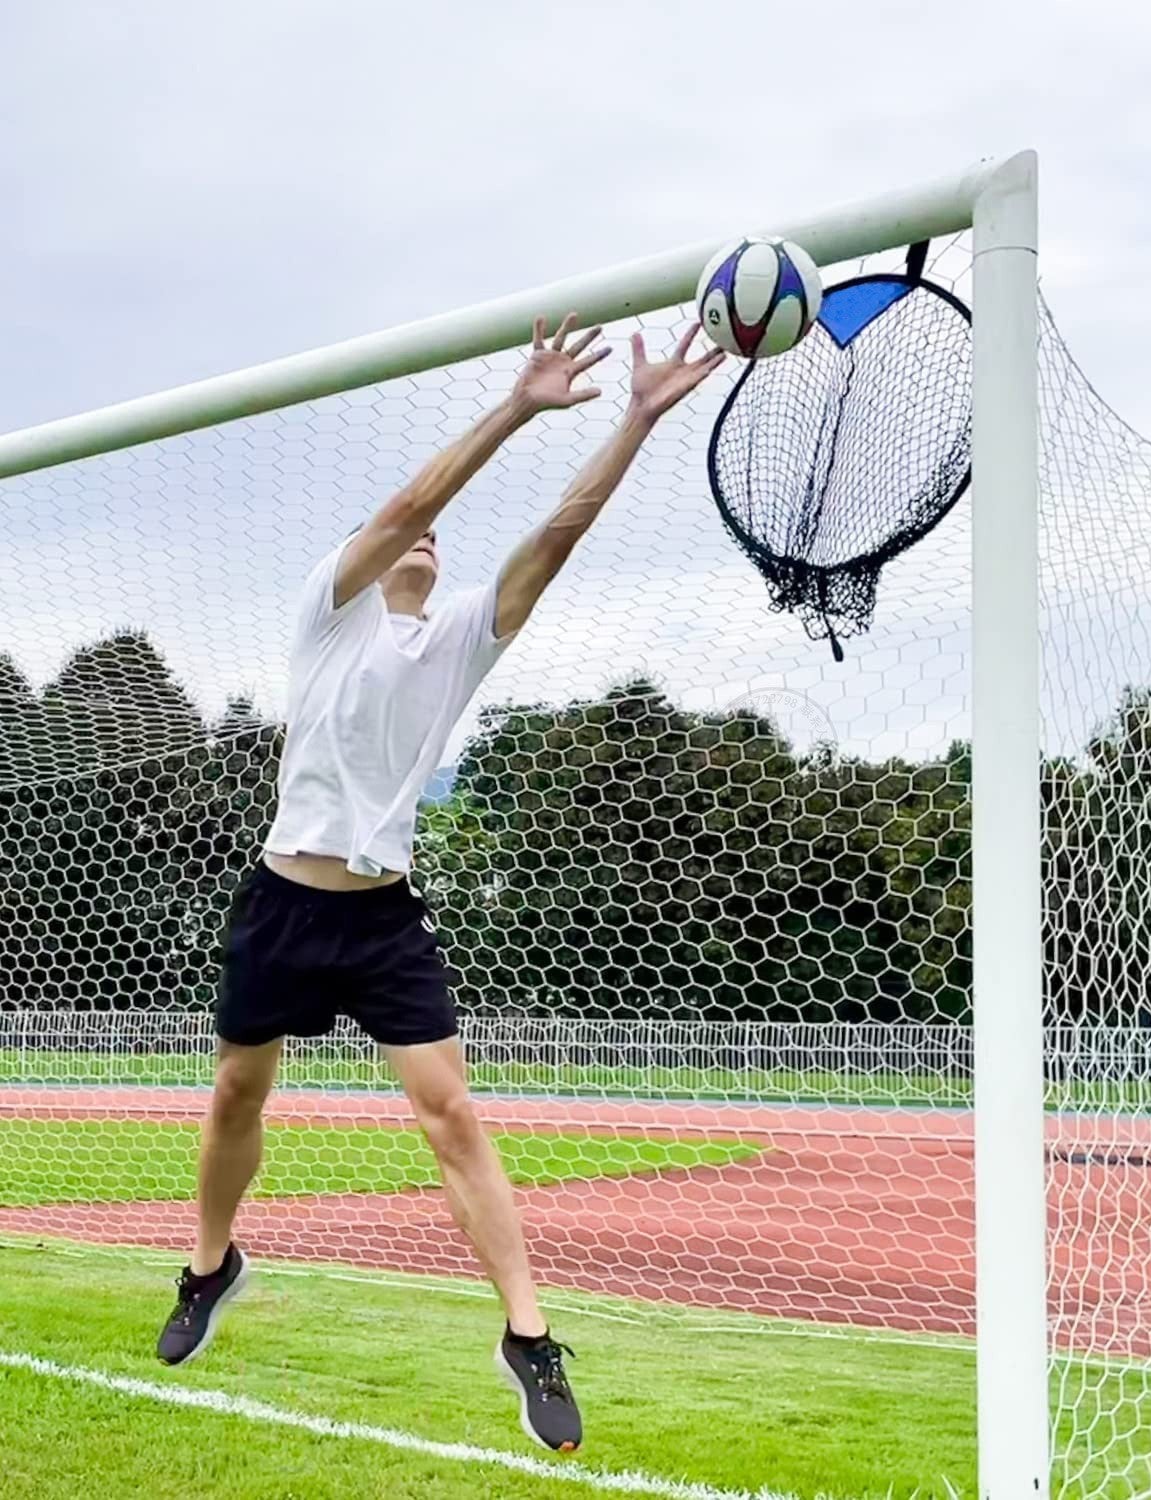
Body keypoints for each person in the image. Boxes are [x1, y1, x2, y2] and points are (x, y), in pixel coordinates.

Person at [154, 314, 725, 1455]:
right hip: (282, 901)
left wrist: (636, 421)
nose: (423, 544)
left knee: (450, 1113)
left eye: (434, 546)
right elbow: (415, 506)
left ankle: (527, 1336)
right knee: (233, 1096)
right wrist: (519, 404)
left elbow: (555, 539)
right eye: (406, 538)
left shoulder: (462, 636)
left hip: (380, 915)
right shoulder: (326, 617)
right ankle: (210, 1267)